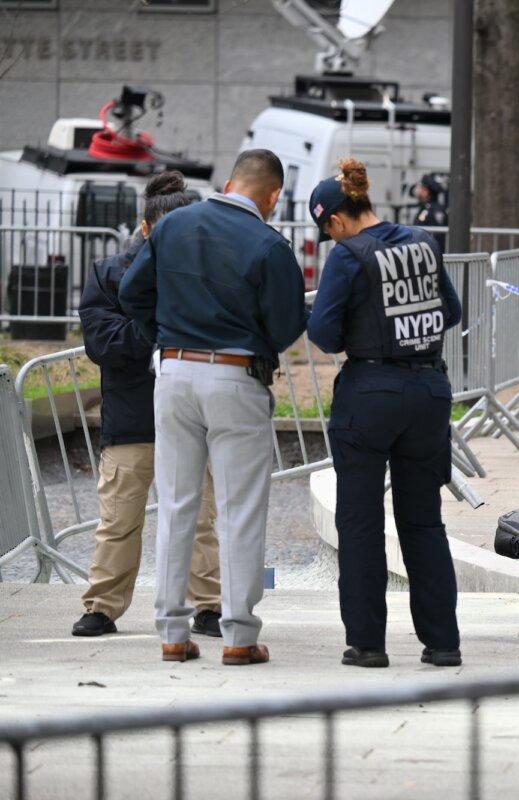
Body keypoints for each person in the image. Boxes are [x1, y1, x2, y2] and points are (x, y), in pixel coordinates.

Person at [119, 150, 307, 665]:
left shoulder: (175, 224)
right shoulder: (270, 245)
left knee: (176, 504)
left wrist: (166, 335)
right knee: (239, 510)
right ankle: (239, 637)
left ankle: (171, 633)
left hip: (174, 371)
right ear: (272, 196)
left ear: (227, 182)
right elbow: (289, 323)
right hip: (235, 374)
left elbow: (132, 290)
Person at [307, 158, 462, 669]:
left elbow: (325, 334)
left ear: (334, 221)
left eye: (327, 232)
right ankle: (442, 644)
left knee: (361, 523)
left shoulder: (348, 256)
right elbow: (452, 312)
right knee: (424, 523)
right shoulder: (422, 241)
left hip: (370, 394)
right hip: (429, 391)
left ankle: (368, 644)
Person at [73, 172, 222, 639]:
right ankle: (102, 606)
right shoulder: (110, 273)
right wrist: (168, 332)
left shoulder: (209, 274)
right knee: (119, 519)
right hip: (134, 417)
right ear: (145, 228)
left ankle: (210, 606)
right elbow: (103, 341)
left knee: (202, 520)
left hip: (193, 417)